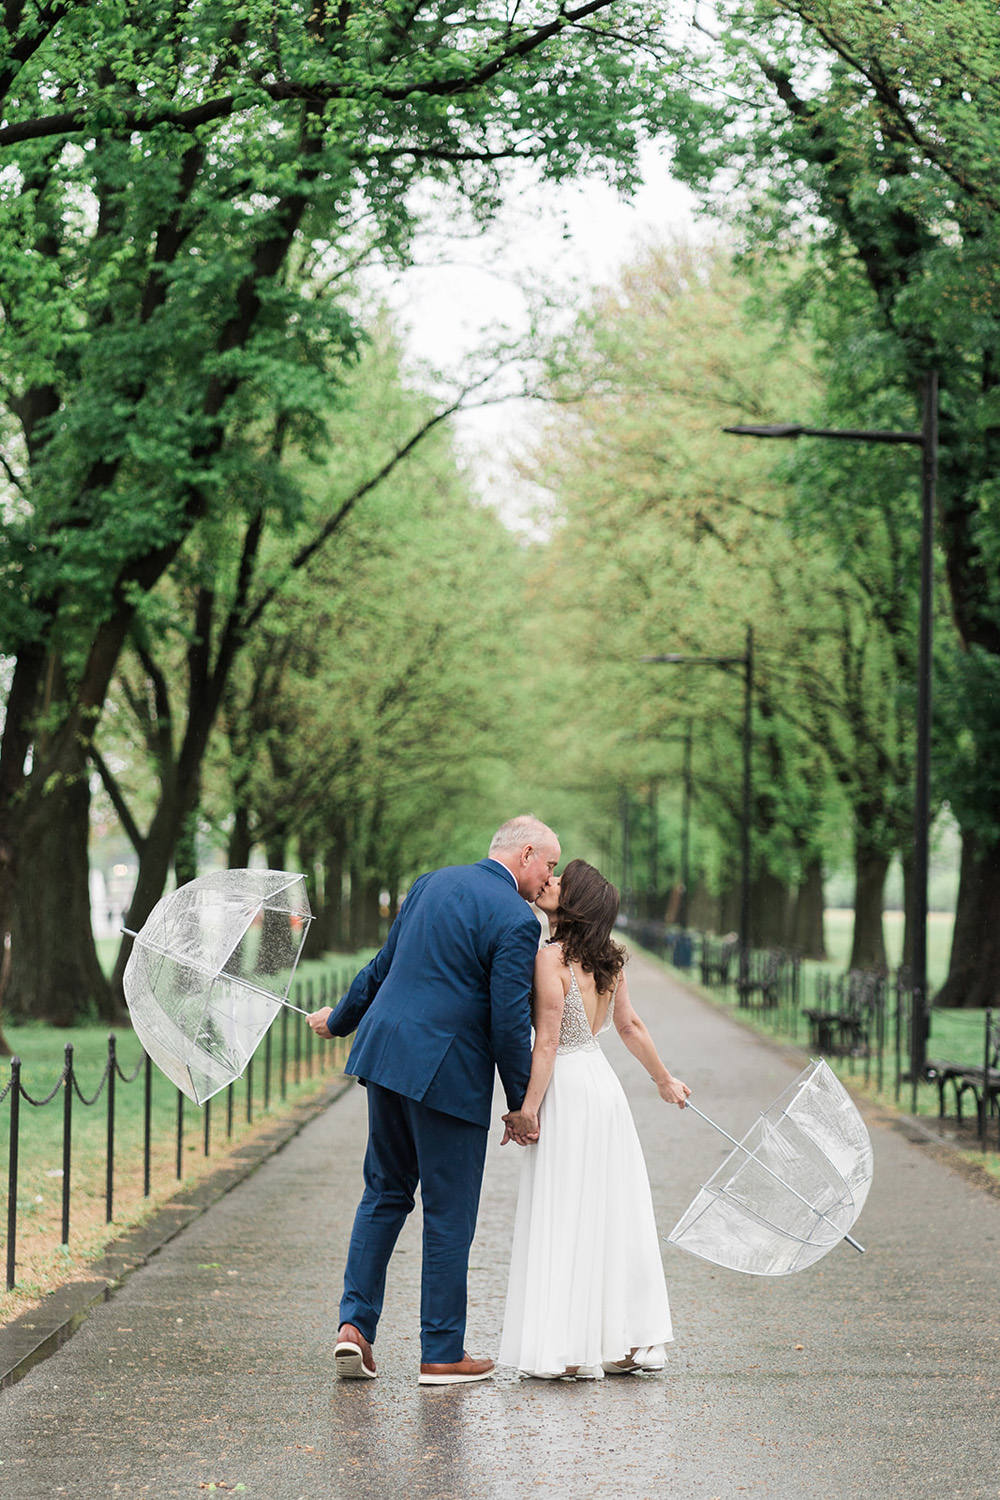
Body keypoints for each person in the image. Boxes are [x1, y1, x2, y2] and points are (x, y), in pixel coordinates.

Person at [306, 815, 560, 1386]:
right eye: (549, 863)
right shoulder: (518, 920)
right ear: (525, 853)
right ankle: (442, 1352)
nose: (550, 877)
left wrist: (341, 1022)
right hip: (448, 1076)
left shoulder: (430, 882)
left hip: (386, 1056)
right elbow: (506, 1021)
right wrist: (524, 1105)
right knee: (449, 1213)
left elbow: (382, 967)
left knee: (384, 1192)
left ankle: (353, 1328)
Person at [499, 858, 690, 1380]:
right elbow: (629, 1026)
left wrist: (528, 1110)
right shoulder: (610, 960)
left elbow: (549, 1040)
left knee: (566, 1209)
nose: (550, 882)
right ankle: (633, 1340)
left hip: (566, 1089)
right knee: (614, 1210)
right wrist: (663, 1080)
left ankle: (567, 1346)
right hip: (603, 1090)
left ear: (575, 901)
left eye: (561, 881)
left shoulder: (550, 958)